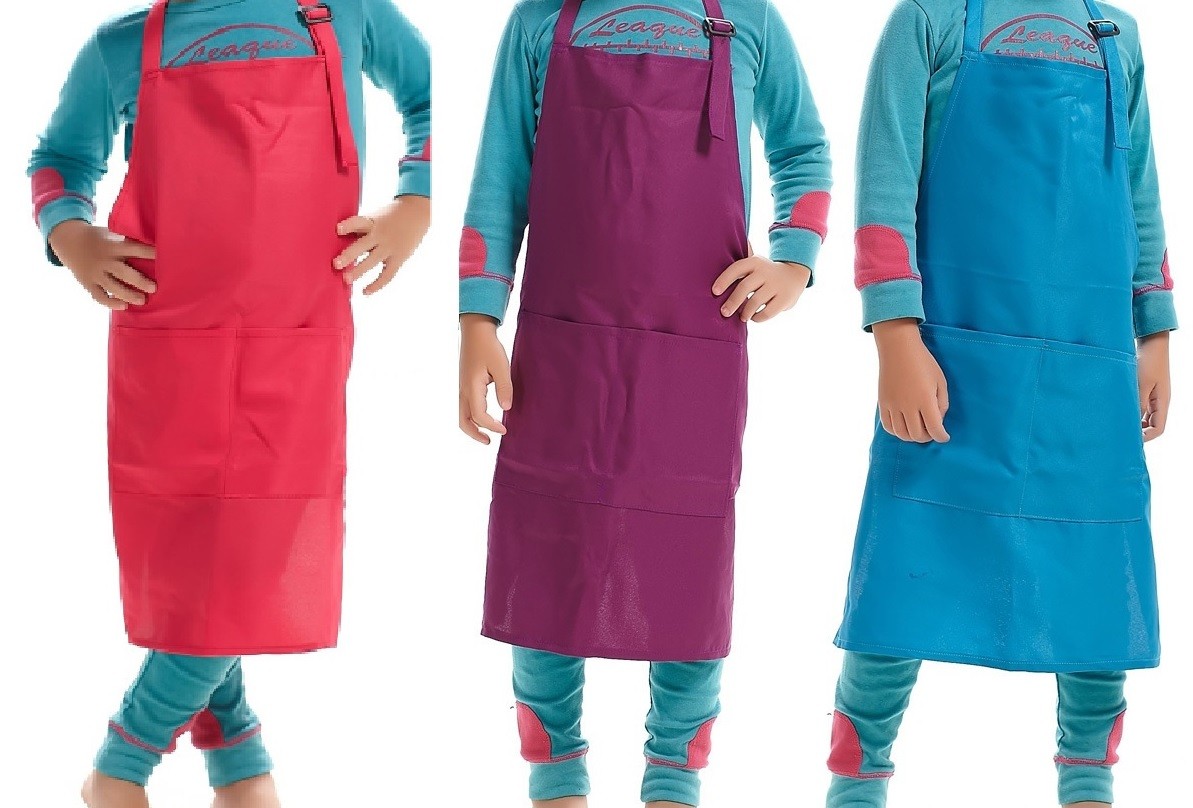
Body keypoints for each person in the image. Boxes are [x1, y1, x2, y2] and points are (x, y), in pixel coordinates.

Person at [28, 2, 430, 806]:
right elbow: (60, 160)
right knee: (196, 557)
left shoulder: (347, 14)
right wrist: (71, 234)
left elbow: (437, 94)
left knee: (254, 551)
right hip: (169, 344)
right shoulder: (123, 45)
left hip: (296, 339)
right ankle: (238, 758)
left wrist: (414, 198)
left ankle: (123, 763)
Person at [457, 1, 831, 805]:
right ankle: (556, 778)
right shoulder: (540, 21)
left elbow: (803, 147)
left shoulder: (746, 20)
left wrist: (795, 260)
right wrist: (477, 320)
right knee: (544, 555)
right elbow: (499, 176)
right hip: (560, 346)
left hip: (695, 342)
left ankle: (672, 780)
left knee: (686, 565)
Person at [828, 1, 1175, 806]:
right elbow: (884, 178)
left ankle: (1087, 783)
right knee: (899, 576)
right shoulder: (928, 19)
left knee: (1096, 582)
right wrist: (894, 334)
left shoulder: (1116, 35)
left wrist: (1153, 332)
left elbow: (1140, 192)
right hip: (954, 362)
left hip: (1090, 365)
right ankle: (856, 782)